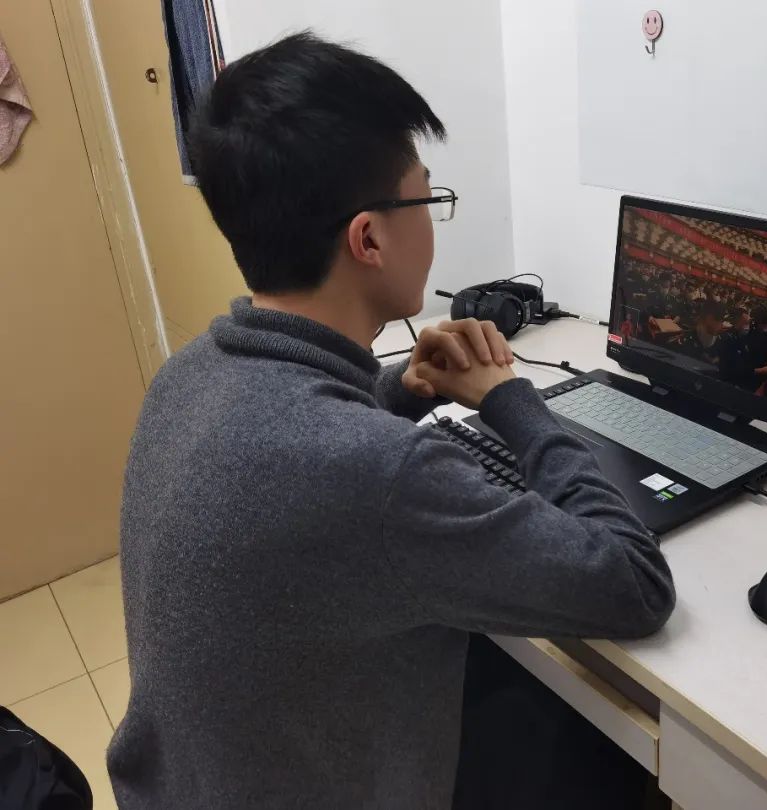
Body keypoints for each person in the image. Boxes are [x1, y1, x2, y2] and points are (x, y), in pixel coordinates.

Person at [106, 33, 675, 810]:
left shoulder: (185, 375)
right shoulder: (379, 473)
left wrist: (403, 388)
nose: (436, 221)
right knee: (609, 747)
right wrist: (510, 398)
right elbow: (634, 586)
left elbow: (296, 443)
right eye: (429, 200)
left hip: (196, 786)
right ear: (369, 238)